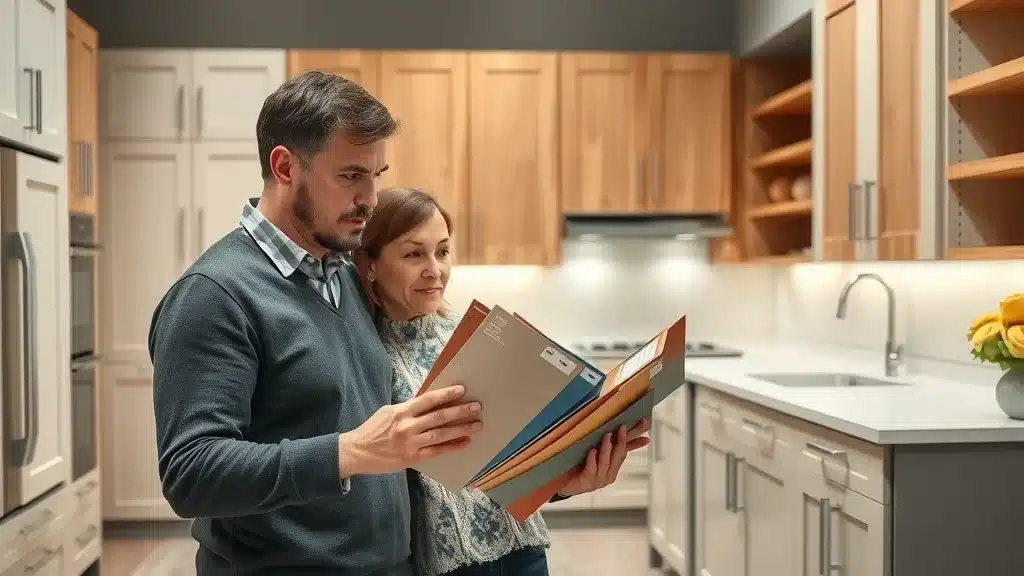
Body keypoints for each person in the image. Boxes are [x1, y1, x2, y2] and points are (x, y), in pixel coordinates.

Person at [147, 71, 484, 575]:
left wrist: (556, 473)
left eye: (377, 174)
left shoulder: (347, 276)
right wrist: (348, 451)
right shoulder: (215, 295)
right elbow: (191, 473)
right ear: (285, 167)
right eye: (350, 176)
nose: (371, 198)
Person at [353, 187, 651, 576]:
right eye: (413, 254)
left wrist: (567, 481)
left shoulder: (477, 338)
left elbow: (513, 465)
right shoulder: (363, 356)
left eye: (442, 251)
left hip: (524, 553)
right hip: (449, 568)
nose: (434, 269)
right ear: (369, 264)